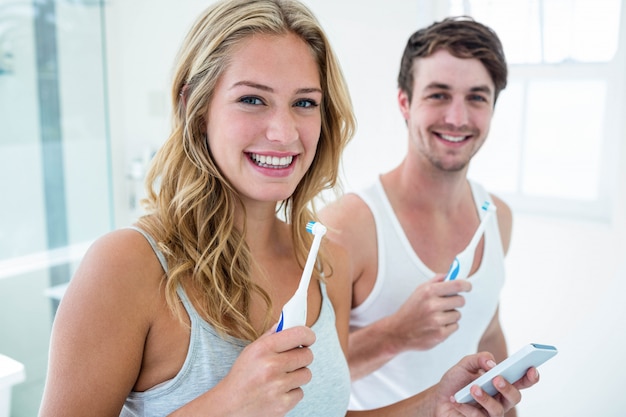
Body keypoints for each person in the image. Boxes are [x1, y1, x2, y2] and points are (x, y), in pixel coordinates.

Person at [38, 3, 538, 416]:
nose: (283, 132)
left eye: (304, 103)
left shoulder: (324, 262)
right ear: (196, 104)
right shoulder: (126, 266)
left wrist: (437, 403)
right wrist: (226, 405)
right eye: (253, 100)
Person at [319, 16, 522, 416]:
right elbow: (307, 377)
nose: (458, 118)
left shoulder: (497, 217)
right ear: (404, 103)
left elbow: (489, 331)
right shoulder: (348, 225)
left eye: (477, 97)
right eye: (438, 95)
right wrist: (397, 333)